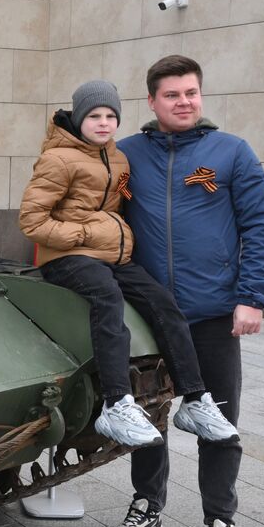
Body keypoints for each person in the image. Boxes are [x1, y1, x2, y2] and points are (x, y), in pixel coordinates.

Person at [115, 56, 264, 527]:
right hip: (148, 317)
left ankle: (221, 522)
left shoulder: (230, 152)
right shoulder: (125, 156)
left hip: (211, 314)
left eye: (191, 92)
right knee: (146, 418)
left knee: (218, 422)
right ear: (151, 102)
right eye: (172, 95)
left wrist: (252, 296)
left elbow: (262, 225)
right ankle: (148, 505)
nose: (184, 102)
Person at [18, 79, 240, 455]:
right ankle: (117, 404)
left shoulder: (116, 156)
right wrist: (84, 235)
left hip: (112, 256)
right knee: (107, 301)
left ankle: (195, 398)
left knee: (163, 303)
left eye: (110, 116)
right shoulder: (57, 158)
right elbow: (31, 221)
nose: (103, 123)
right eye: (94, 115)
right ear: (78, 117)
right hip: (66, 258)